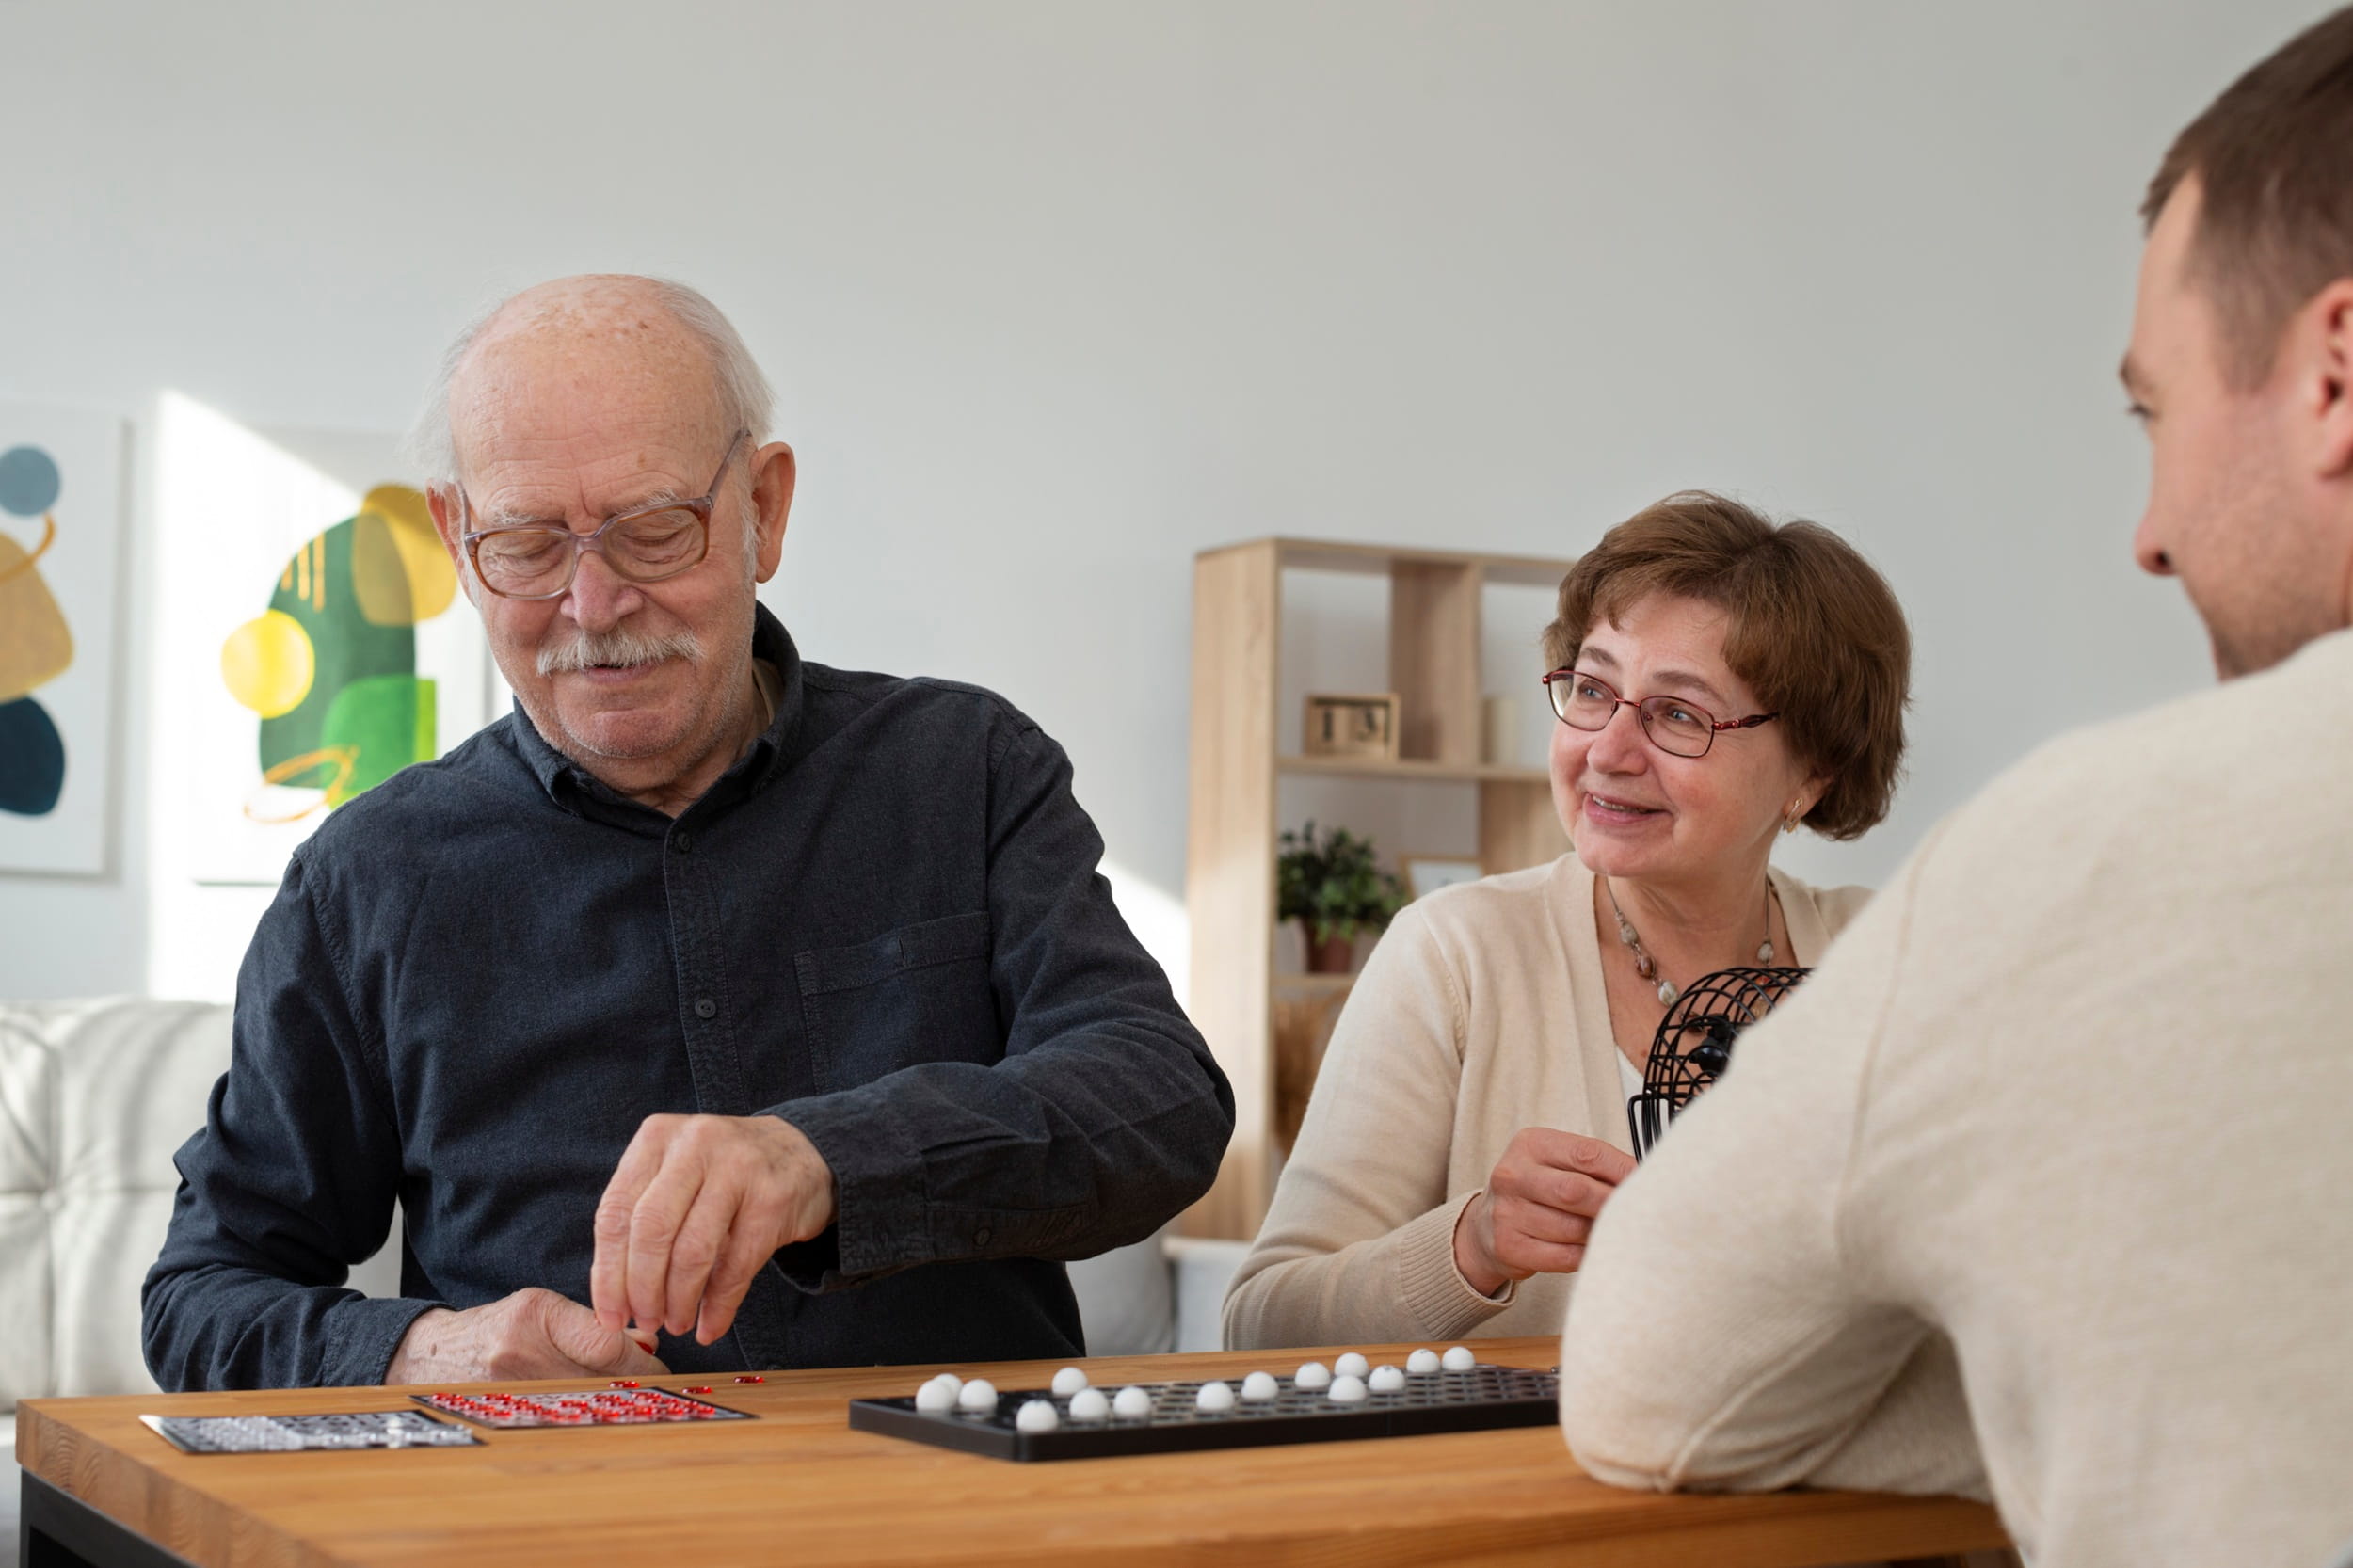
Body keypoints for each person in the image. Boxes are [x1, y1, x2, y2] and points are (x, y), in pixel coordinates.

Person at [1557, 12, 2353, 1565]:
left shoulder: (2077, 867)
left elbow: (1658, 1383)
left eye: (2157, 412)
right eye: (1592, 692)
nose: (2152, 530)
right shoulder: (1461, 955)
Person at [142, 276, 1233, 1390]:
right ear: (455, 539)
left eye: (654, 530)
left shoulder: (963, 770)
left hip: (959, 1507)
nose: (594, 601)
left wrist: (827, 1159)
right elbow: (203, 1293)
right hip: (559, 1524)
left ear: (766, 507)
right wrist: (429, 1347)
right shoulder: (366, 879)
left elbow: (1160, 1100)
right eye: (525, 543)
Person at [1223, 493, 1910, 1349]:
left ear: (1811, 773)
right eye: (1592, 689)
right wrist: (1472, 1248)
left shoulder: (1887, 962)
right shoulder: (1455, 955)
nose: (1608, 751)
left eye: (1679, 714)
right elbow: (1262, 1324)